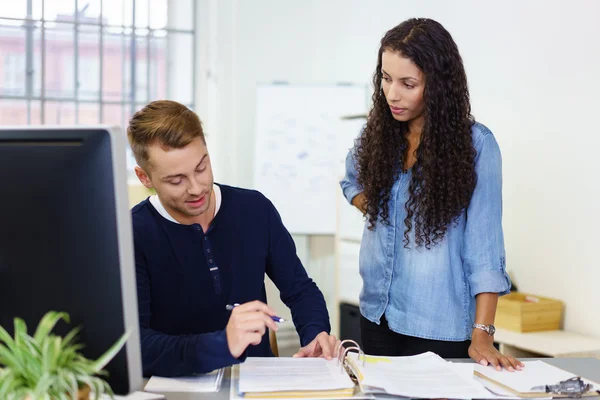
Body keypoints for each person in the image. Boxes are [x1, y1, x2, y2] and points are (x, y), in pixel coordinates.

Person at [340, 18, 523, 371]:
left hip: (438, 325)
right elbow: (351, 182)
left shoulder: (477, 147)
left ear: (438, 85)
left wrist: (482, 333)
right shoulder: (376, 133)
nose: (392, 94)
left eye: (408, 84)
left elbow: (485, 250)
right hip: (376, 315)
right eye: (386, 78)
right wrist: (378, 210)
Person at [128, 100, 337, 377]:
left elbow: (300, 289)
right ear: (145, 177)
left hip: (258, 382)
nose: (196, 188)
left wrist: (315, 333)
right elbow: (138, 347)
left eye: (201, 167)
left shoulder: (254, 209)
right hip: (178, 386)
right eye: (176, 180)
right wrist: (221, 344)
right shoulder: (133, 233)